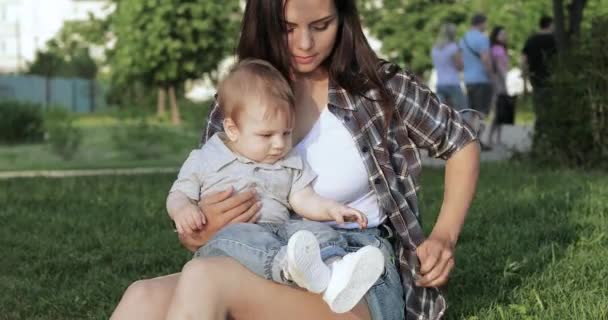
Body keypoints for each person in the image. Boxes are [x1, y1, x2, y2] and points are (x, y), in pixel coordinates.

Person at [111, 1, 481, 319]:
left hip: (350, 273)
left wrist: (444, 236)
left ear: (343, 17)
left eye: (321, 26)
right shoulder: (239, 97)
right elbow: (200, 215)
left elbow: (459, 141)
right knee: (141, 298)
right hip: (258, 258)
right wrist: (199, 231)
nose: (305, 44)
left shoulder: (377, 88)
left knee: (205, 280)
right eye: (287, 28)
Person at [168, 58, 384, 313]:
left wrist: (331, 210)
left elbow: (303, 198)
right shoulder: (206, 158)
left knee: (312, 231)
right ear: (232, 129)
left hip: (280, 231)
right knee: (239, 234)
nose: (280, 144)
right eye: (266, 135)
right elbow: (179, 193)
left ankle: (337, 270)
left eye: (286, 132)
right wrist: (183, 210)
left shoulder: (289, 160)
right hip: (234, 243)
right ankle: (288, 267)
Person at [460, 13, 494, 151]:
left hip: (468, 79)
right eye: (485, 23)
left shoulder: (463, 39)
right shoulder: (482, 38)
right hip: (481, 79)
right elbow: (486, 59)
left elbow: (461, 60)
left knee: (472, 112)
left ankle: (469, 139)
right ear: (481, 23)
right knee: (481, 112)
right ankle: (476, 141)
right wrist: (491, 76)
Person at [522, 15, 557, 132]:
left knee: (539, 105)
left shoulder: (531, 39)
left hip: (535, 77)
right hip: (553, 77)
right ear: (550, 24)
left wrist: (525, 77)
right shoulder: (555, 40)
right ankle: (548, 131)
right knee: (551, 106)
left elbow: (524, 60)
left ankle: (540, 130)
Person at [431, 23, 467, 111]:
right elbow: (460, 66)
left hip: (440, 83)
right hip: (453, 83)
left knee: (443, 112)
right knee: (462, 109)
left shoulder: (435, 48)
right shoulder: (453, 48)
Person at [487, 26, 510, 146]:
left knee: (501, 112)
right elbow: (501, 70)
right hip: (499, 83)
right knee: (498, 112)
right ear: (496, 36)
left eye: (505, 34)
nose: (504, 36)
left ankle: (497, 138)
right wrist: (504, 86)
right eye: (502, 34)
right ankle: (491, 138)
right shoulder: (498, 49)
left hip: (497, 82)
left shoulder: (499, 48)